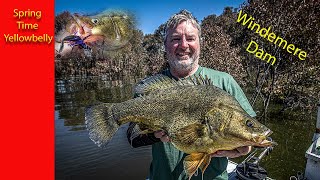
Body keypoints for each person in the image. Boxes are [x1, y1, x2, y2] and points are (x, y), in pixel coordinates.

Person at [127, 9, 256, 180]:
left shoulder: (225, 82)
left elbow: (250, 130)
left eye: (190, 38)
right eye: (175, 39)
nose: (184, 45)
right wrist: (153, 135)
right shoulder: (151, 88)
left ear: (200, 43)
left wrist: (245, 147)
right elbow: (132, 137)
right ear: (165, 45)